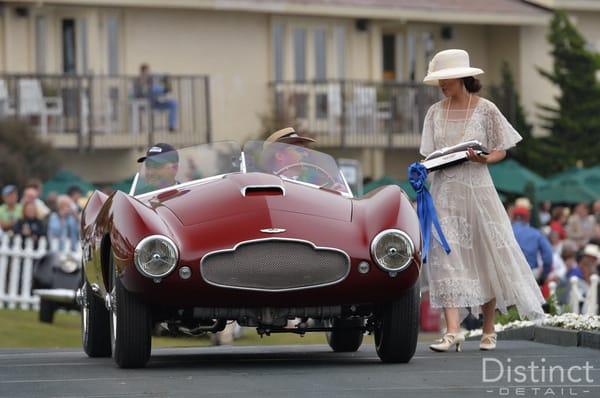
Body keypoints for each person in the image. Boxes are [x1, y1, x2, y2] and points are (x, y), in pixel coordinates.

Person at [419, 49, 545, 353]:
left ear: (461, 77)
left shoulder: (486, 109)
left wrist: (485, 159)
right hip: (444, 192)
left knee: (484, 257)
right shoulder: (435, 112)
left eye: (444, 79)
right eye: (438, 81)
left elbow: (501, 148)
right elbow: (427, 153)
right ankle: (453, 330)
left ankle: (489, 329)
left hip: (478, 190)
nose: (441, 86)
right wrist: (422, 169)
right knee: (444, 257)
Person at [511, 206, 553, 285]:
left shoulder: (504, 233)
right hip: (530, 274)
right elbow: (548, 257)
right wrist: (543, 275)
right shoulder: (536, 233)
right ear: (527, 218)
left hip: (508, 275)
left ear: (513, 217)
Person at [134, 64, 178, 132]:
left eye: (148, 72)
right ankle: (164, 89)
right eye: (146, 72)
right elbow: (137, 94)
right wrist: (143, 86)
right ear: (142, 72)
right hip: (144, 105)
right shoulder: (137, 81)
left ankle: (171, 126)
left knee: (173, 103)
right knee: (153, 88)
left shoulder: (152, 80)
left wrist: (164, 78)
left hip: (155, 103)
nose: (147, 74)